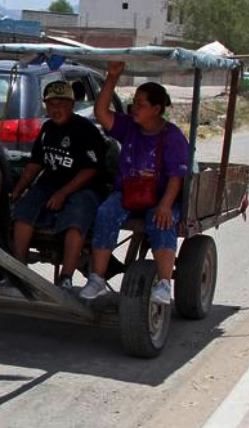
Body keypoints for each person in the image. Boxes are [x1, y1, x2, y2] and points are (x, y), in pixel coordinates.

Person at [79, 61, 190, 305]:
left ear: (156, 109)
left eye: (141, 104)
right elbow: (101, 113)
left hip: (161, 195)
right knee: (106, 212)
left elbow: (177, 176)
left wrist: (165, 205)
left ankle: (163, 283)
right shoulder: (129, 127)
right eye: (134, 102)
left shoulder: (173, 137)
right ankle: (97, 279)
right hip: (129, 193)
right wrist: (112, 78)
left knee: (160, 220)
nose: (134, 108)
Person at [10, 80, 110, 290]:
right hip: (50, 184)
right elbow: (35, 164)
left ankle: (66, 277)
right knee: (23, 212)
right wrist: (17, 191)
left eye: (61, 104)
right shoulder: (47, 129)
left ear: (72, 105)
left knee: (75, 220)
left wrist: (64, 193)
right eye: (51, 104)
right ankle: (17, 269)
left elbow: (91, 168)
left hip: (86, 187)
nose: (56, 109)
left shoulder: (85, 130)